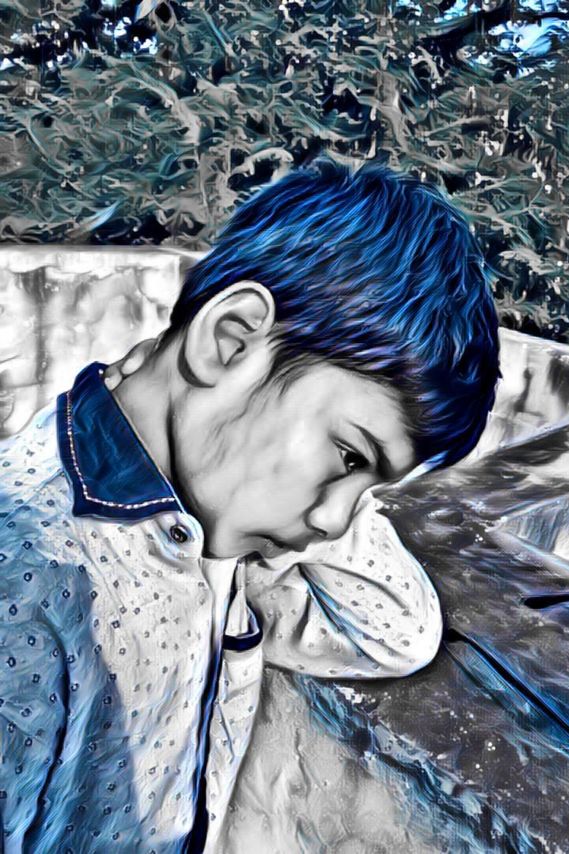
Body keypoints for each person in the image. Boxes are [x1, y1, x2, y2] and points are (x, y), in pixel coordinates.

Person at [0, 157, 500, 852]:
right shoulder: (27, 573)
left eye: (367, 490)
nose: (334, 520)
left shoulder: (213, 538)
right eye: (348, 456)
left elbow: (396, 634)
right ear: (231, 339)